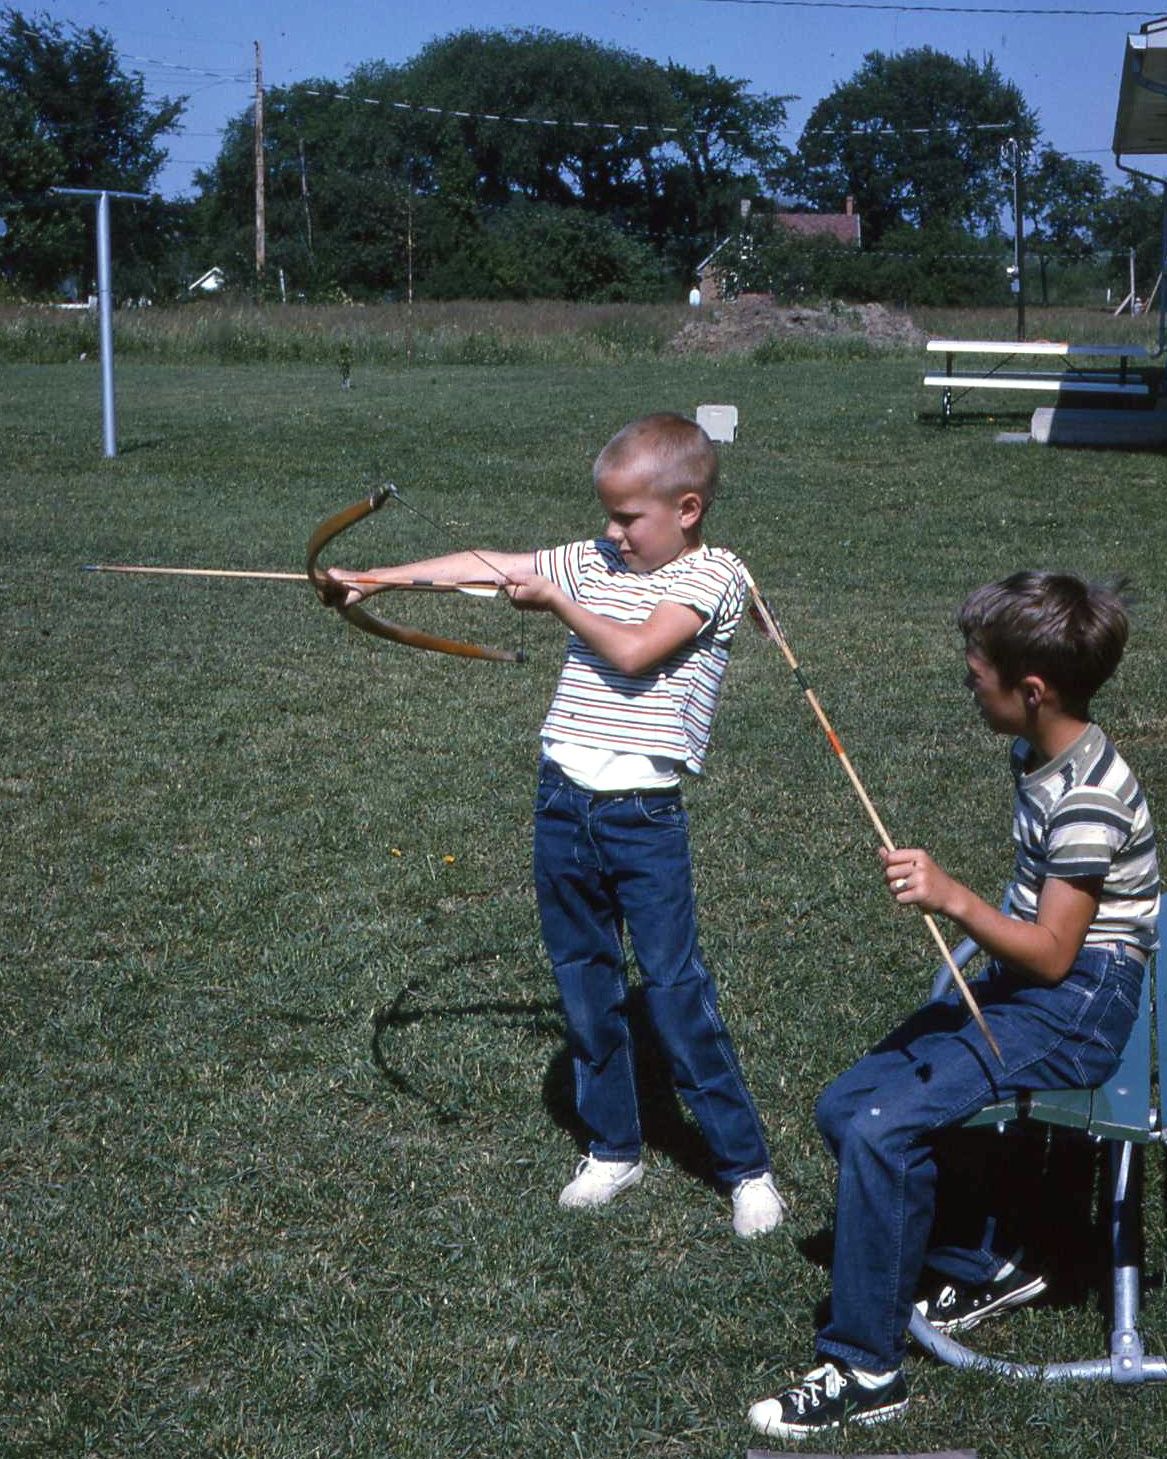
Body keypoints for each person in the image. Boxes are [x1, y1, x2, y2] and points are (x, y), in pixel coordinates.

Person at [329, 413, 787, 1238]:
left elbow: (638, 651)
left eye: (627, 519)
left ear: (686, 508)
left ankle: (743, 1165)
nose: (610, 534)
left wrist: (556, 603)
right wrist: (376, 575)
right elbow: (489, 564)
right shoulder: (593, 558)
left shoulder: (714, 573)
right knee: (584, 982)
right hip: (562, 802)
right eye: (606, 517)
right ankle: (613, 1146)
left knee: (676, 992)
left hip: (643, 818)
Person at [749, 570, 1159, 1440]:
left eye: (977, 674)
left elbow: (1052, 953)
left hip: (1077, 1001)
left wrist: (953, 899)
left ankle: (866, 1366)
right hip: (1039, 983)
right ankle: (988, 1257)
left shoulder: (1085, 794)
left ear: (1032, 689)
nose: (967, 684)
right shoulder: (1043, 752)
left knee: (881, 1128)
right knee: (842, 1106)